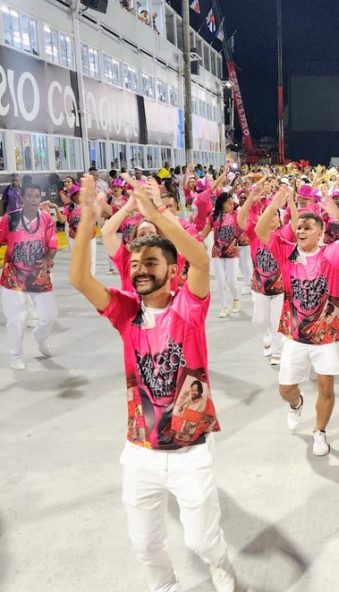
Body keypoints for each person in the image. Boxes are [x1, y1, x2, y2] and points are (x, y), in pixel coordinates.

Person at [68, 176, 237, 592]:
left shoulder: (188, 309)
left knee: (200, 538)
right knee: (144, 542)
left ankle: (220, 560)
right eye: (136, 264)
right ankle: (164, 587)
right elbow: (79, 279)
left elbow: (200, 260)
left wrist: (158, 214)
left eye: (151, 263)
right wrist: (88, 220)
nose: (140, 270)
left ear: (171, 269)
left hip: (189, 449)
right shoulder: (126, 313)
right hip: (139, 451)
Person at [255, 185, 339, 456]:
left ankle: (319, 432)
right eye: (299, 227)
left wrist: (336, 212)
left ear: (320, 232)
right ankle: (296, 404)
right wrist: (274, 205)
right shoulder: (286, 252)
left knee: (326, 387)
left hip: (324, 336)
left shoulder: (331, 253)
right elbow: (260, 231)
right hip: (294, 335)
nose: (301, 230)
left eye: (308, 227)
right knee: (285, 389)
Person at [0, 184, 58, 370]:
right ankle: (15, 354)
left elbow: (53, 245)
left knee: (49, 317)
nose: (34, 200)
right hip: (13, 275)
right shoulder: (10, 219)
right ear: (22, 198)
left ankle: (40, 339)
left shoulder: (47, 219)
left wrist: (48, 258)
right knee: (16, 318)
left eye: (37, 196)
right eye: (30, 196)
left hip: (38, 275)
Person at [238, 184, 285, 365]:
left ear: (280, 220)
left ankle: (276, 349)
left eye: (275, 215)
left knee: (276, 320)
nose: (272, 218)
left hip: (280, 288)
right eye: (269, 214)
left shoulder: (284, 234)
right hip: (259, 286)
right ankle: (265, 336)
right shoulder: (254, 233)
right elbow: (241, 219)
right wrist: (250, 199)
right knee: (259, 320)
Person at [204, 192, 241, 318]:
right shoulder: (213, 217)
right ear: (222, 204)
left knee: (231, 280)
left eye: (233, 203)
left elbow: (243, 230)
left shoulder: (236, 215)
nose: (232, 206)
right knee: (220, 281)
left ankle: (236, 299)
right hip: (217, 253)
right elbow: (203, 233)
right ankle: (224, 306)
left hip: (232, 253)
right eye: (229, 204)